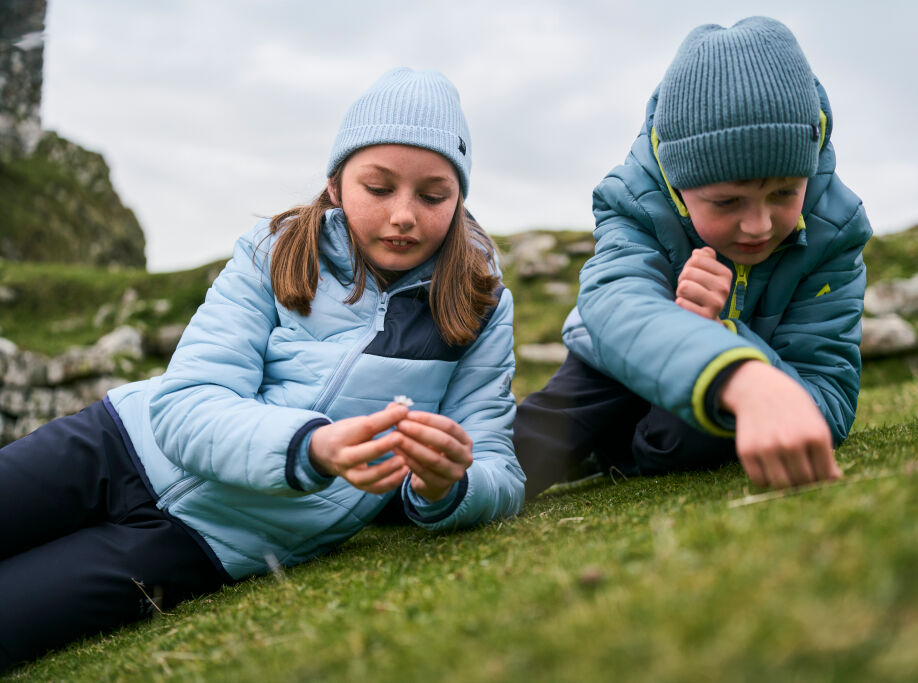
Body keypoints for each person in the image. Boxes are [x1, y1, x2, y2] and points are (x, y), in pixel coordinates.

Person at [0, 67, 524, 670]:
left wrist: (449, 487)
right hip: (112, 443)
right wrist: (312, 448)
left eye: (434, 195)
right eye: (378, 188)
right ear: (334, 183)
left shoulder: (482, 303)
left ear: (459, 199)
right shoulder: (271, 251)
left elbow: (498, 472)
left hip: (200, 545)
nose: (404, 215)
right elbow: (186, 403)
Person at [515, 16, 872, 498]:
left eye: (785, 193)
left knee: (675, 443)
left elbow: (826, 399)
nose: (759, 225)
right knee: (529, 446)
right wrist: (740, 375)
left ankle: (617, 455)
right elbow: (615, 305)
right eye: (727, 202)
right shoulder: (637, 201)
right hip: (610, 366)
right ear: (678, 186)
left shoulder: (836, 230)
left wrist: (729, 340)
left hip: (711, 408)